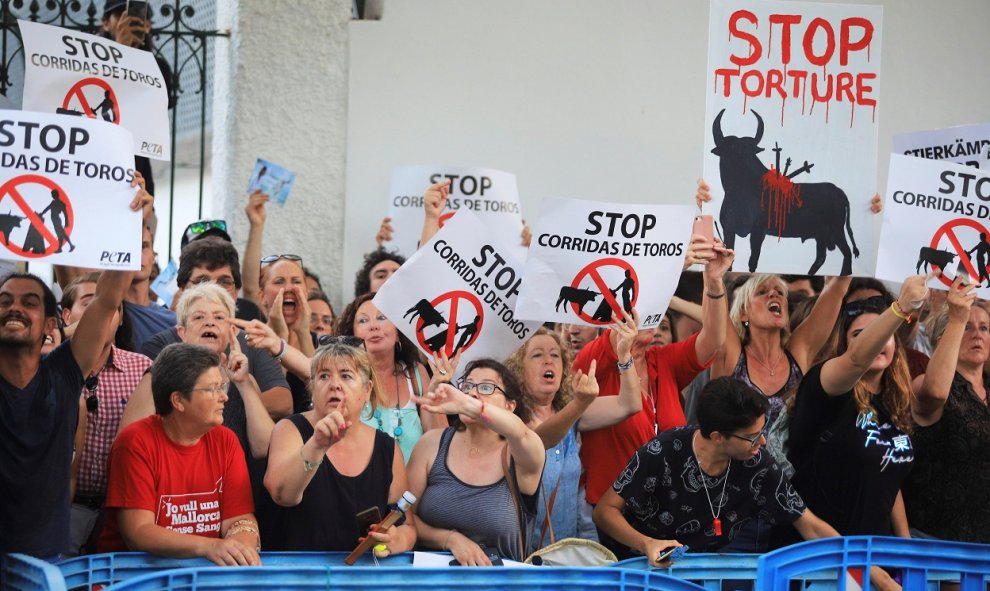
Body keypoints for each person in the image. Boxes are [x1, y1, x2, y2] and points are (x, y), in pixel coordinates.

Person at [592, 377, 898, 591]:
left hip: (704, 576)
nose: (762, 441)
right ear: (717, 437)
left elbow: (811, 526)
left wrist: (874, 574)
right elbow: (605, 512)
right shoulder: (664, 451)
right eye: (752, 437)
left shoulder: (757, 464)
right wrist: (646, 544)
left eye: (762, 431)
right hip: (640, 574)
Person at [0, 188, 149, 559]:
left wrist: (130, 220)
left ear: (52, 323)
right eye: (4, 302)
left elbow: (109, 296)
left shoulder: (63, 374)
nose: (14, 309)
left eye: (28, 302)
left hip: (45, 560)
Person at [575, 235, 733, 511]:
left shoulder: (663, 361)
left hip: (665, 508)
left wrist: (715, 281)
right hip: (609, 513)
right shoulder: (596, 358)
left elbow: (714, 339)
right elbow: (619, 334)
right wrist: (669, 271)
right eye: (644, 308)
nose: (652, 314)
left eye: (656, 310)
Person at [772, 275, 929, 550]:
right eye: (860, 334)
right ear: (845, 344)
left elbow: (886, 475)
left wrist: (906, 552)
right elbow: (857, 359)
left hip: (874, 558)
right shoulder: (825, 386)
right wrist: (900, 308)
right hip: (818, 561)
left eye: (883, 334)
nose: (875, 341)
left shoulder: (894, 401)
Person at [98, 344, 261, 566]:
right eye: (212, 389)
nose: (224, 397)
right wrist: (209, 546)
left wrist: (240, 549)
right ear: (178, 401)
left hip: (203, 574)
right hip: (134, 575)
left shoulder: (226, 440)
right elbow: (138, 532)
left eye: (222, 386)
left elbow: (240, 519)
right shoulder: (135, 442)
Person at [261, 340, 417, 554]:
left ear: (367, 390)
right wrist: (316, 445)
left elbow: (406, 524)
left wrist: (398, 540)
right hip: (299, 577)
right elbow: (282, 495)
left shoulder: (387, 448)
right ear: (312, 389)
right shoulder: (289, 429)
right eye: (324, 376)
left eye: (346, 376)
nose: (334, 384)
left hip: (362, 579)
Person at [505, 313, 640, 549]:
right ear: (518, 370)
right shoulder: (510, 415)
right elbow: (538, 440)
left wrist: (625, 355)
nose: (549, 361)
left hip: (565, 552)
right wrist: (579, 404)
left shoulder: (571, 412)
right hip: (525, 556)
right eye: (537, 355)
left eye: (555, 355)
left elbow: (629, 404)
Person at [408, 359, 546, 564]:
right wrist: (449, 539)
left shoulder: (520, 454)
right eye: (468, 386)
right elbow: (403, 517)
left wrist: (470, 405)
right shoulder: (432, 443)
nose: (472, 393)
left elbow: (521, 433)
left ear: (510, 406)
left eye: (486, 388)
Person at [60, 274, 153, 557]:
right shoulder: (49, 367)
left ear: (122, 318)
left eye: (114, 307)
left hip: (121, 510)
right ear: (66, 315)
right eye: (89, 304)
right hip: (64, 508)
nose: (104, 313)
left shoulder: (143, 369)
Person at [904, 278, 990, 543]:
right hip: (937, 550)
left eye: (984, 328)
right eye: (967, 327)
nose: (977, 334)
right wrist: (956, 318)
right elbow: (935, 393)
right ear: (945, 339)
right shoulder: (923, 384)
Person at [712, 273, 849, 429]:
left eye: (780, 292)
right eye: (761, 292)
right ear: (744, 313)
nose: (773, 294)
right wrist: (714, 273)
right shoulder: (732, 355)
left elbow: (835, 289)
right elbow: (714, 296)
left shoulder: (799, 352)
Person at [336, 293, 443, 462]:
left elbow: (439, 444)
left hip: (413, 486)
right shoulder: (342, 378)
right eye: (363, 320)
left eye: (382, 318)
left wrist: (436, 388)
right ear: (351, 336)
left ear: (398, 333)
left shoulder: (416, 373)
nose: (373, 326)